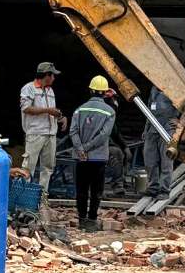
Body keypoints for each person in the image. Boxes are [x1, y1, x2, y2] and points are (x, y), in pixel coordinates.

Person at [69, 76, 117, 231]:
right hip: (98, 157)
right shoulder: (110, 111)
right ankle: (92, 220)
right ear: (104, 93)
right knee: (96, 191)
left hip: (81, 157)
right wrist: (89, 147)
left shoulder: (79, 109)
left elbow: (73, 132)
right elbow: (104, 135)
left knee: (81, 189)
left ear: (90, 90)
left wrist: (81, 149)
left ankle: (82, 219)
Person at [20, 62, 63, 210]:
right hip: (35, 133)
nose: (54, 78)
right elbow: (26, 108)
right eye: (53, 75)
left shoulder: (50, 91)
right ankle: (24, 200)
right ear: (46, 75)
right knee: (28, 167)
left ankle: (42, 199)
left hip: (51, 134)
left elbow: (51, 111)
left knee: (48, 168)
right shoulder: (29, 88)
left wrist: (60, 117)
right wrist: (48, 111)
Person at [144, 86, 178, 199]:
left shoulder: (172, 88)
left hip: (166, 130)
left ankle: (164, 190)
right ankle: (152, 188)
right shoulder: (153, 89)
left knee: (166, 161)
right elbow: (148, 110)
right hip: (152, 129)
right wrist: (146, 129)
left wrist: (180, 121)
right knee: (150, 160)